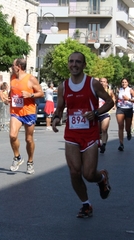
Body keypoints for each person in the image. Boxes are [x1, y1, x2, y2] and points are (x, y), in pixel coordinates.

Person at [52, 51, 113, 218]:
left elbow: (109, 101)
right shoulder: (63, 86)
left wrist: (96, 112)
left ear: (84, 65)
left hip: (90, 134)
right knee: (74, 172)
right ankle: (86, 204)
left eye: (78, 62)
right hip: (72, 134)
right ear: (68, 64)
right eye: (71, 61)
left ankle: (101, 178)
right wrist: (56, 118)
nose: (74, 64)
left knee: (88, 174)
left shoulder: (93, 83)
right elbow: (60, 107)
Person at [9, 57, 44, 174]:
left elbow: (41, 93)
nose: (11, 67)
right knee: (12, 135)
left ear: (18, 67)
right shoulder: (12, 77)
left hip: (28, 112)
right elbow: (12, 91)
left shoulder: (31, 79)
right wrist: (7, 98)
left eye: (13, 65)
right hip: (16, 112)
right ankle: (17, 157)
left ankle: (30, 162)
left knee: (28, 139)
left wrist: (30, 95)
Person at [115, 78, 134, 151]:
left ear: (128, 83)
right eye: (122, 82)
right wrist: (115, 105)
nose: (124, 83)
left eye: (125, 82)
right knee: (120, 126)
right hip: (120, 108)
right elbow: (116, 99)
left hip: (128, 109)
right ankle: (121, 144)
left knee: (127, 128)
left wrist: (128, 99)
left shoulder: (130, 90)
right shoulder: (119, 90)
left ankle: (128, 133)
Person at [98, 77, 115, 153]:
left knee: (104, 129)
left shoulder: (109, 91)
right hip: (97, 112)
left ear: (106, 83)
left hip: (106, 113)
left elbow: (113, 98)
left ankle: (103, 144)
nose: (102, 83)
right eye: (101, 81)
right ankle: (100, 140)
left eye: (104, 81)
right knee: (98, 132)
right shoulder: (95, 91)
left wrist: (113, 105)